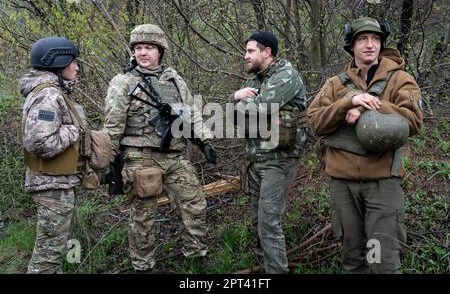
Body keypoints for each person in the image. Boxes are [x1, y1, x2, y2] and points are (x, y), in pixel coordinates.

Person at [307, 17, 424, 273]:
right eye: (362, 39)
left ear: (382, 44)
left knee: (383, 263)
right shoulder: (335, 84)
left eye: (375, 39)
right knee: (353, 261)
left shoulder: (399, 79)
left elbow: (414, 120)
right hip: (342, 184)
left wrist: (370, 105)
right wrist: (348, 102)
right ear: (352, 46)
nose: (370, 44)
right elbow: (315, 121)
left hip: (381, 183)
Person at [103, 24, 217, 273]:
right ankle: (143, 267)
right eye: (138, 48)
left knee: (194, 205)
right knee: (143, 218)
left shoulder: (174, 80)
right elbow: (112, 126)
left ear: (160, 51)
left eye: (149, 48)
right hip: (140, 158)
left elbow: (191, 113)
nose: (143, 53)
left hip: (176, 156)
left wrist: (205, 140)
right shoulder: (123, 82)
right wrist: (106, 160)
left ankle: (196, 258)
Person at [231, 31, 307, 273]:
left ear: (267, 52)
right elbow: (235, 117)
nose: (246, 56)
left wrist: (240, 102)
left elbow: (261, 107)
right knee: (257, 222)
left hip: (278, 162)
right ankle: (265, 269)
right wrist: (235, 98)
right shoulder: (257, 79)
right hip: (256, 160)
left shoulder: (286, 76)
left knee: (268, 223)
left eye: (250, 51)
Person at [20, 37, 83, 273]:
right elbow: (40, 142)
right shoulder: (48, 96)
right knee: (47, 258)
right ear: (59, 62)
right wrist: (72, 130)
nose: (76, 68)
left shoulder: (52, 92)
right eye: (73, 62)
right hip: (52, 187)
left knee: (52, 252)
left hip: (56, 184)